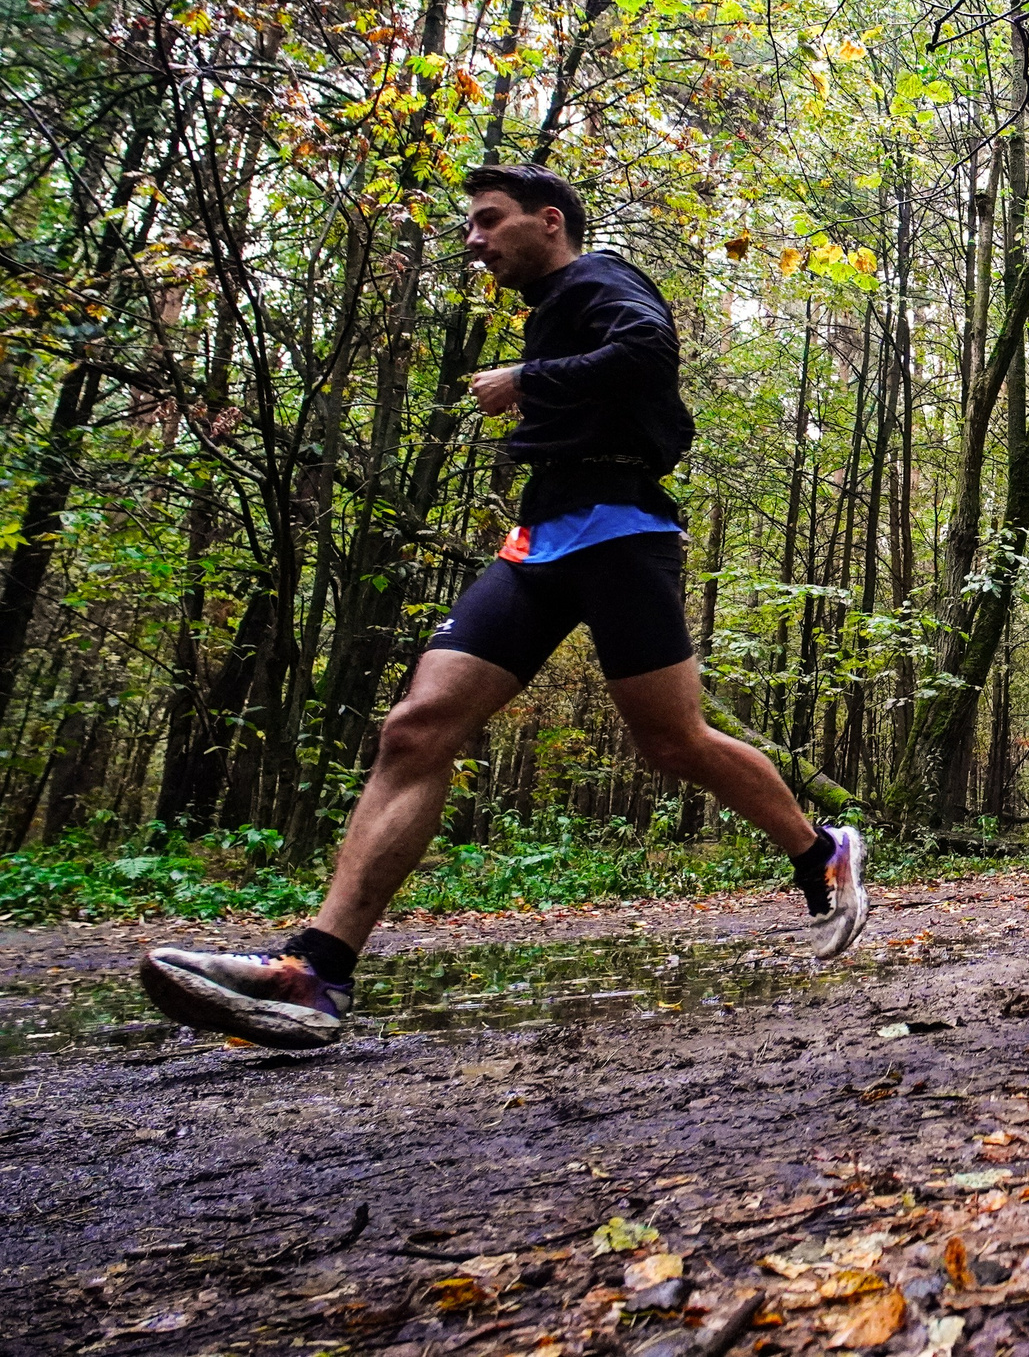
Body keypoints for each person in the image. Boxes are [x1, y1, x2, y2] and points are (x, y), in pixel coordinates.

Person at [137, 165, 869, 1051]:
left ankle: (820, 850)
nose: (474, 239)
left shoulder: (598, 276)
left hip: (620, 525)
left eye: (489, 220)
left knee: (674, 741)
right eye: (469, 226)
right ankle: (315, 972)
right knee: (416, 727)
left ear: (548, 220)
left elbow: (648, 350)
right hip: (540, 535)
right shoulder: (552, 303)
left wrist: (527, 376)